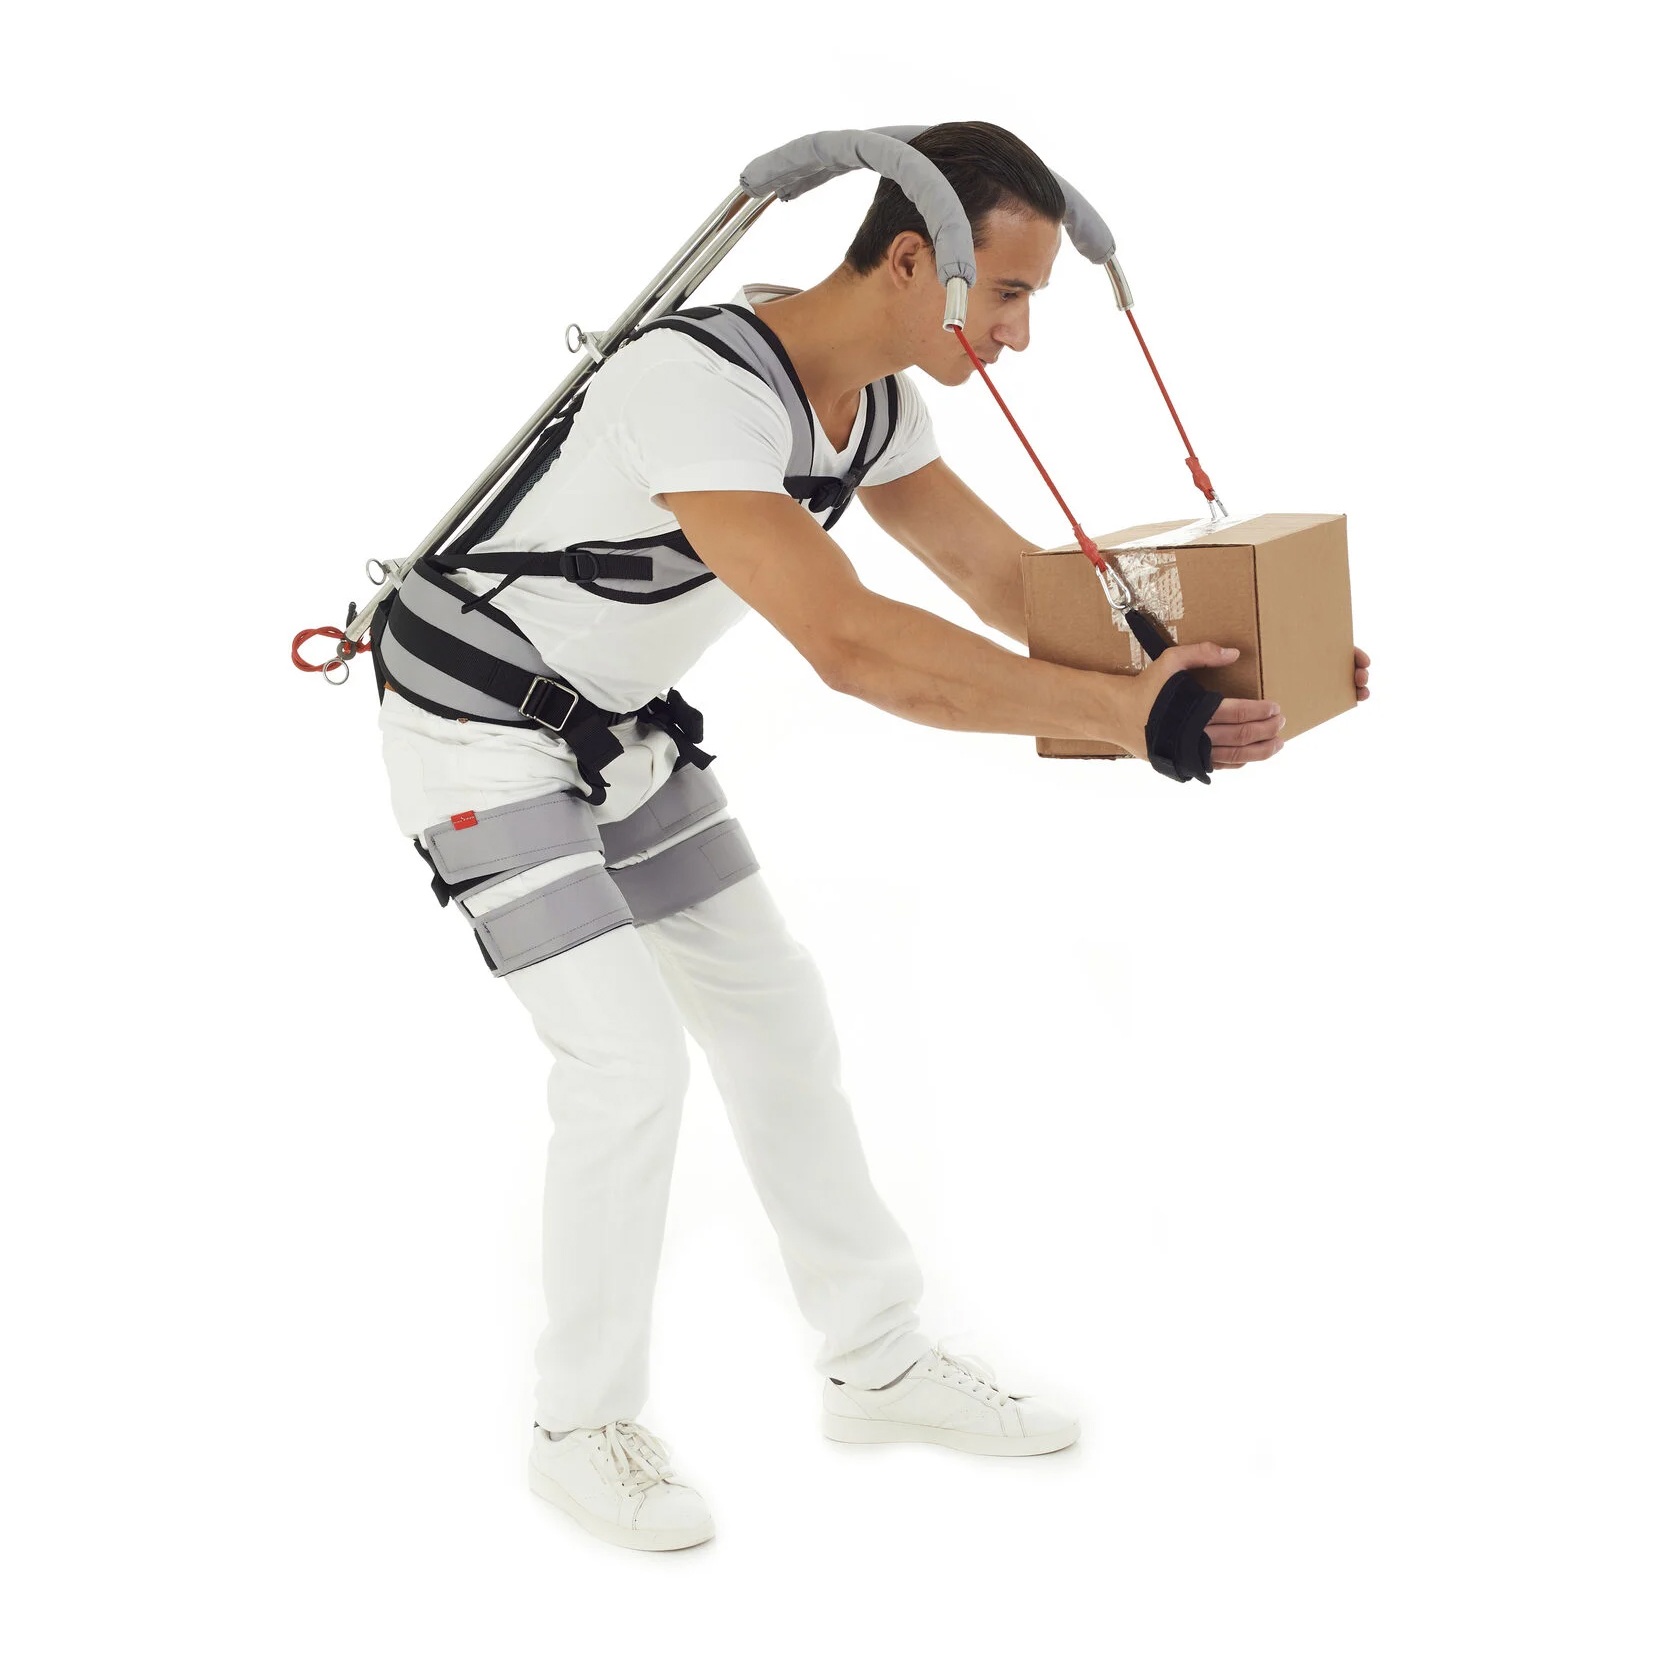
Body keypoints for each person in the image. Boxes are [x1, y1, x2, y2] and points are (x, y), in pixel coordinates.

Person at [375, 120, 1371, 1554]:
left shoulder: (875, 409)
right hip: (478, 730)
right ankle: (577, 1426)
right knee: (625, 1064)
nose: (1019, 335)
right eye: (1007, 294)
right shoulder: (691, 385)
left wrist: (1252, 659)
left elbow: (1007, 584)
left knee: (778, 1024)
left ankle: (876, 1360)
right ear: (913, 261)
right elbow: (850, 645)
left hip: (617, 730)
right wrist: (1124, 717)